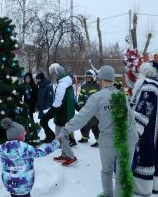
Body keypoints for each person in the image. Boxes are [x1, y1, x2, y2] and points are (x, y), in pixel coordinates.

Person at [58, 66, 138, 197]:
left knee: (107, 171)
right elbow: (131, 117)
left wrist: (65, 130)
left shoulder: (97, 97)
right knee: (123, 175)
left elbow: (81, 117)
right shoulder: (121, 95)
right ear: (112, 79)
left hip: (109, 141)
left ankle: (107, 195)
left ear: (100, 79)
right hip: (128, 139)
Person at [0, 118, 59, 197]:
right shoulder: (27, 148)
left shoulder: (2, 148)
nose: (24, 136)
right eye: (23, 135)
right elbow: (42, 151)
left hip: (10, 184)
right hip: (25, 185)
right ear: (19, 136)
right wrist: (56, 143)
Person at [130, 61, 158, 196]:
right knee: (156, 151)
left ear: (147, 72)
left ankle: (142, 187)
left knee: (144, 154)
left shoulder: (148, 87)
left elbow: (144, 109)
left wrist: (135, 130)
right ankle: (155, 184)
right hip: (155, 128)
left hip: (146, 130)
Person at [41, 63, 77, 166]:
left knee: (59, 135)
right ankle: (64, 155)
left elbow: (57, 103)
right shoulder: (67, 83)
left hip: (62, 115)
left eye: (54, 74)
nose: (53, 76)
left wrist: (47, 116)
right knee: (64, 134)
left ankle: (71, 156)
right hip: (67, 113)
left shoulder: (62, 85)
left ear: (58, 74)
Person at [77, 69, 100, 147]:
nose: (88, 79)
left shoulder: (98, 86)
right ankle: (84, 137)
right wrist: (81, 106)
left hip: (95, 110)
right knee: (84, 123)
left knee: (95, 125)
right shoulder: (83, 86)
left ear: (93, 77)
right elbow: (80, 97)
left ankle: (99, 140)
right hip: (86, 109)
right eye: (86, 77)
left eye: (89, 77)